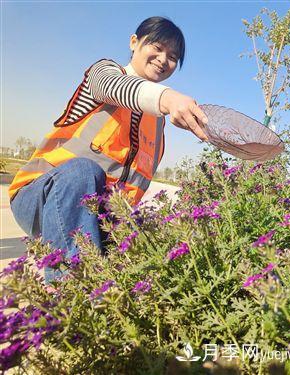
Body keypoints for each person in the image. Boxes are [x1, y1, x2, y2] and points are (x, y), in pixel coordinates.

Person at [9, 16, 208, 284]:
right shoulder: (104, 73)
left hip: (103, 219)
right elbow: (112, 87)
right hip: (39, 198)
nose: (164, 59)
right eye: (157, 48)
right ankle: (69, 294)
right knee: (83, 170)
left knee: (155, 245)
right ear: (134, 42)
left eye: (173, 56)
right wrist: (167, 97)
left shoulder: (158, 123)